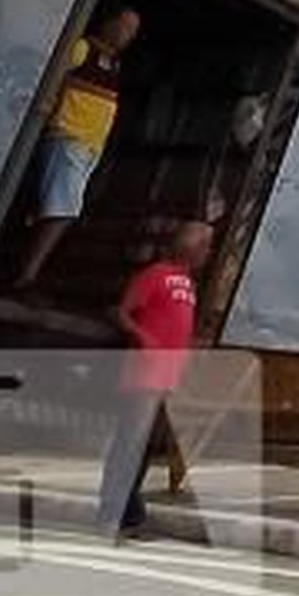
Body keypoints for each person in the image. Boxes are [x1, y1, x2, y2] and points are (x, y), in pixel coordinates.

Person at [12, 6, 140, 290]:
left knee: (59, 207)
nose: (127, 35)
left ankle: (28, 270)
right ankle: (28, 275)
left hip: (90, 146)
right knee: (63, 209)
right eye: (124, 26)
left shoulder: (115, 64)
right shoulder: (82, 48)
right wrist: (46, 107)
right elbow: (54, 75)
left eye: (133, 32)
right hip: (68, 135)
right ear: (107, 23)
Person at [97, 217, 208, 538]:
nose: (206, 253)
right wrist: (143, 338)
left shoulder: (188, 285)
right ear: (190, 247)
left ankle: (129, 510)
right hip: (144, 373)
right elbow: (122, 312)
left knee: (144, 446)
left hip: (167, 376)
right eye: (203, 245)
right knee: (130, 442)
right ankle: (114, 511)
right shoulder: (155, 276)